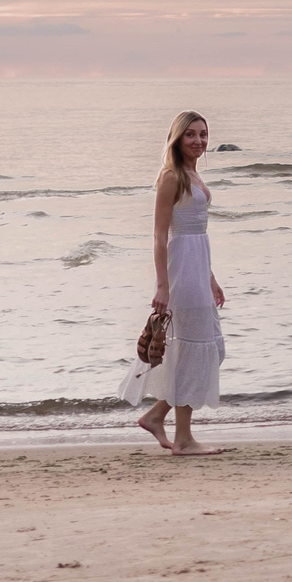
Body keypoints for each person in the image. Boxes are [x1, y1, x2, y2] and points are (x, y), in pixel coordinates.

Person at [121, 110, 227, 455]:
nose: (199, 141)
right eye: (190, 134)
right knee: (193, 351)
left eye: (203, 134)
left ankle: (156, 416)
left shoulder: (194, 174)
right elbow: (159, 236)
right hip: (181, 272)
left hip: (198, 268)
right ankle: (183, 439)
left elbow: (199, 234)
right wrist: (162, 286)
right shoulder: (170, 176)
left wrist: (211, 278)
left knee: (212, 350)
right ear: (177, 139)